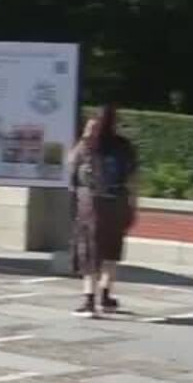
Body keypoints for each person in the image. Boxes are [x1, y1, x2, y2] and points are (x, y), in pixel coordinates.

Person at [69, 104, 138, 317]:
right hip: (118, 202)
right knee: (111, 250)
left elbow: (71, 166)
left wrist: (84, 138)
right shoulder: (124, 146)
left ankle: (89, 300)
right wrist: (133, 205)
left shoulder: (88, 145)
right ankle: (106, 297)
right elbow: (134, 179)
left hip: (91, 204)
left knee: (89, 250)